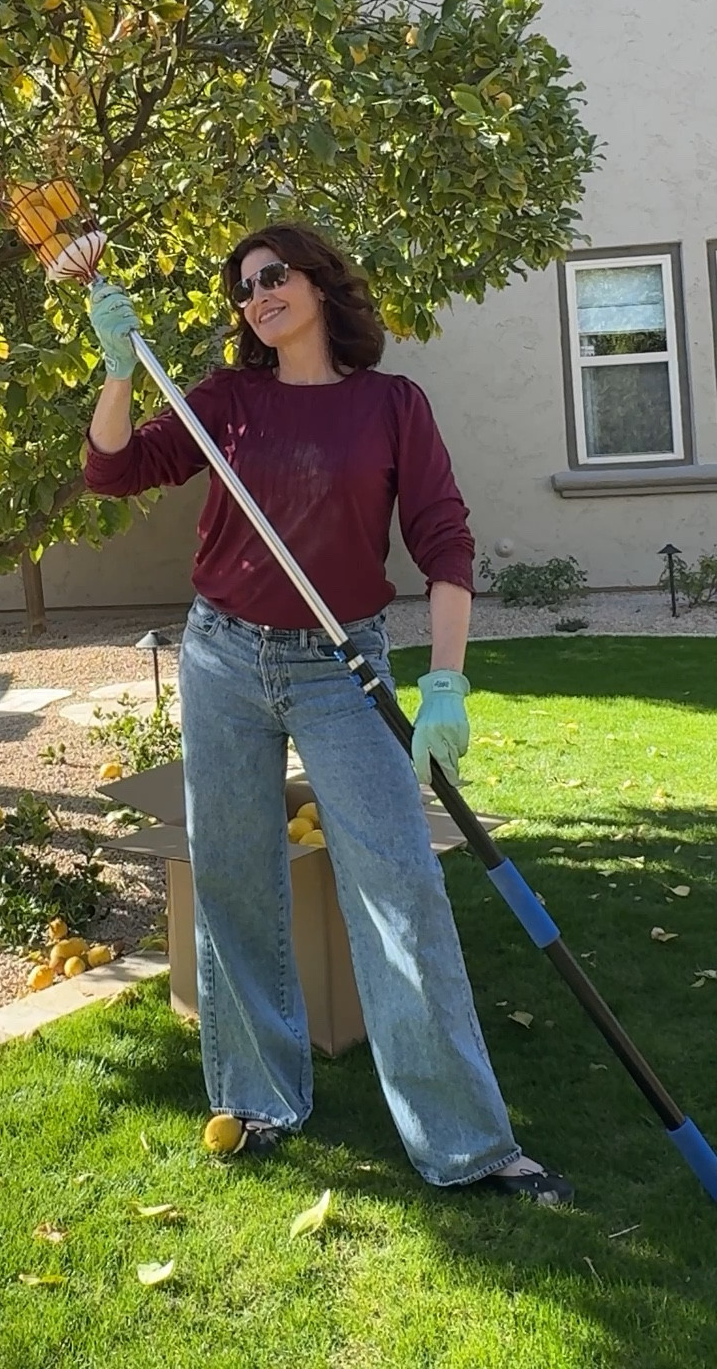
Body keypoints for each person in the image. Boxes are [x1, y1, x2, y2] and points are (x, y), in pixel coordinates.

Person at [82, 221, 572, 1207]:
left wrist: (445, 682)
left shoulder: (391, 406)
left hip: (341, 668)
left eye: (273, 276)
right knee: (234, 880)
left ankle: (469, 1145)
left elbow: (445, 542)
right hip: (222, 656)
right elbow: (115, 470)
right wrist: (117, 370)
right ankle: (259, 1098)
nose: (257, 294)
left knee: (400, 894)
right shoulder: (224, 400)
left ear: (318, 283)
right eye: (243, 287)